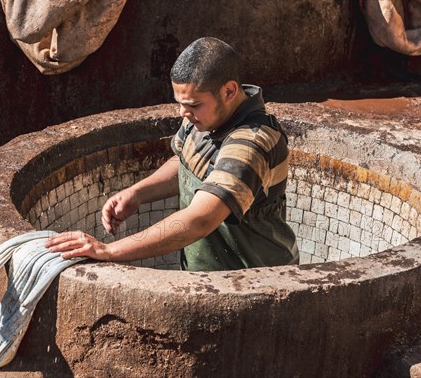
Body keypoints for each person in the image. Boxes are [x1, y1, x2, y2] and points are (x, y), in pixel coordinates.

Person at [45, 37, 299, 271]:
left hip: (257, 278)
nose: (182, 113)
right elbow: (184, 160)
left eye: (192, 104)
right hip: (212, 274)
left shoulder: (250, 143)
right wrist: (138, 193)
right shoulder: (205, 116)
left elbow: (200, 219)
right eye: (180, 103)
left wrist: (108, 250)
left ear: (229, 92)